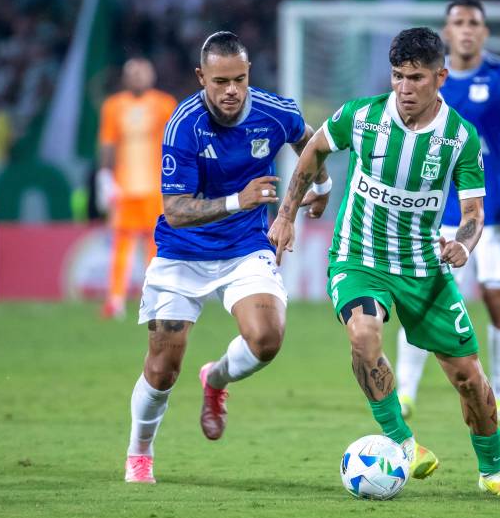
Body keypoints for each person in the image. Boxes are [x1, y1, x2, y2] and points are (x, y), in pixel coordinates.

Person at [269, 27, 500, 497]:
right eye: (397, 76)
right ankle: (402, 444)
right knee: (364, 336)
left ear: (440, 78)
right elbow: (314, 150)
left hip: (423, 267)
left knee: (468, 377)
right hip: (358, 255)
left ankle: (492, 471)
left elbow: (473, 214)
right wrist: (287, 215)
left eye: (415, 78)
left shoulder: (459, 139)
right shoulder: (363, 116)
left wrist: (464, 246)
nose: (404, 88)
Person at [123, 31, 330, 484]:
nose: (231, 90)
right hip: (183, 254)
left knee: (267, 339)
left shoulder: (276, 111)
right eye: (220, 81)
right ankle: (140, 452)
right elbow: (176, 213)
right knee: (162, 370)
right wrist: (241, 199)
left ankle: (215, 379)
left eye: (239, 79)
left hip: (244, 248)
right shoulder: (184, 124)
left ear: (249, 74)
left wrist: (321, 187)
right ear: (202, 78)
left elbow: (311, 141)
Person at [395, 0, 500, 422]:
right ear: (446, 29)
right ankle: (406, 392)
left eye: (474, 22)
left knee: (498, 300)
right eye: (458, 22)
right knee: (421, 299)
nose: (466, 29)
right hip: (435, 211)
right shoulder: (428, 80)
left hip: (493, 209)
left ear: (484, 31)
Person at [96, 58, 177, 319]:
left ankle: (155, 297)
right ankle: (115, 300)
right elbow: (107, 143)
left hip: (156, 188)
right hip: (125, 188)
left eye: (142, 72)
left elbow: (175, 144)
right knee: (121, 244)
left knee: (156, 245)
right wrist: (105, 176)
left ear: (151, 76)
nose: (138, 77)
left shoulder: (165, 104)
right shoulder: (113, 106)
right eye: (132, 73)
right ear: (125, 77)